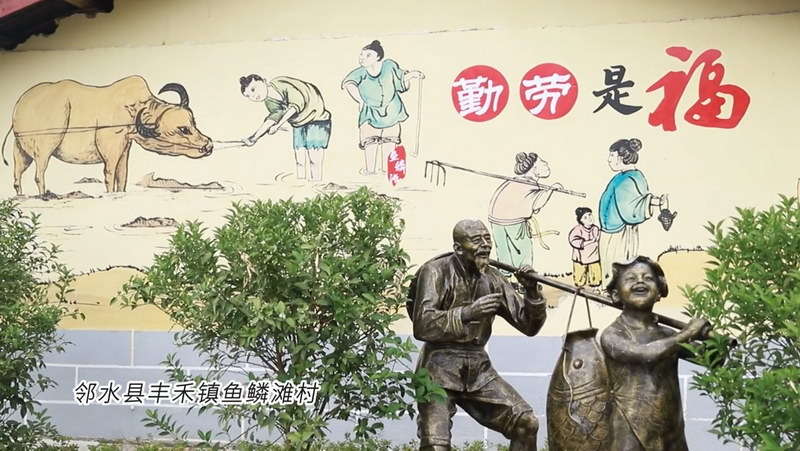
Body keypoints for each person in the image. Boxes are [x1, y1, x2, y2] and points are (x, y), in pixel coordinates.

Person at [409, 218, 547, 451]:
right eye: (476, 240)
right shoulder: (435, 271)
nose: (485, 245)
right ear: (458, 248)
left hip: (478, 369)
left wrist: (532, 292)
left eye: (487, 238)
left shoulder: (493, 277)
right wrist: (467, 313)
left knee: (526, 423)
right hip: (438, 367)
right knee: (435, 446)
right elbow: (423, 325)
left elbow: (529, 326)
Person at [600, 256, 709, 451]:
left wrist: (714, 340)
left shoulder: (667, 335)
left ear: (659, 292)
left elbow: (712, 360)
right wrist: (689, 333)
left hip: (671, 433)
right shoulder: (613, 335)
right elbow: (646, 354)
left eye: (648, 278)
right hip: (631, 432)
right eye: (630, 278)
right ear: (616, 295)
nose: (640, 282)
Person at [341, 40, 424, 174]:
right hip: (370, 112)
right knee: (370, 141)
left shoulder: (389, 66)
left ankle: (386, 170)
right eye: (361, 55)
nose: (362, 58)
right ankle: (370, 170)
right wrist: (360, 101)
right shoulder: (360, 73)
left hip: (392, 109)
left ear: (378, 57)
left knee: (390, 140)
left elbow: (400, 78)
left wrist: (413, 75)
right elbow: (349, 83)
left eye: (368, 55)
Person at [597, 138, 668, 288]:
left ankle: (613, 291)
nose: (609, 160)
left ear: (622, 157)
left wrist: (653, 201)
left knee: (616, 263)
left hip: (619, 232)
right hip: (613, 229)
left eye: (612, 156)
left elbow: (631, 206)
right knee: (612, 263)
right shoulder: (625, 176)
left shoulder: (628, 179)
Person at [239, 74, 332, 181]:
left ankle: (316, 183)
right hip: (298, 122)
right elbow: (272, 118)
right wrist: (254, 138)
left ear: (264, 81)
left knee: (314, 158)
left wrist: (278, 125)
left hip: (317, 118)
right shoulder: (269, 101)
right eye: (248, 96)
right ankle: (301, 184)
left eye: (253, 89)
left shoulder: (281, 84)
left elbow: (296, 105)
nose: (253, 96)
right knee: (299, 159)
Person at [488, 152, 563, 276]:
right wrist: (551, 189)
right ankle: (524, 279)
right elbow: (537, 203)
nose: (546, 165)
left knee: (504, 252)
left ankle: (505, 277)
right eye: (543, 163)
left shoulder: (515, 182)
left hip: (495, 219)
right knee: (522, 253)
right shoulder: (529, 184)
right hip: (513, 221)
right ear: (534, 169)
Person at [568, 207, 601, 290]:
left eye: (590, 215)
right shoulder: (577, 229)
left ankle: (595, 288)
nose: (589, 218)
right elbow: (573, 241)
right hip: (580, 258)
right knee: (580, 278)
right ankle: (579, 290)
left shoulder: (596, 229)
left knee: (595, 275)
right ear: (581, 220)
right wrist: (588, 242)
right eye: (585, 217)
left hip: (594, 256)